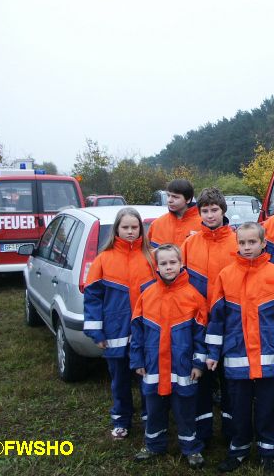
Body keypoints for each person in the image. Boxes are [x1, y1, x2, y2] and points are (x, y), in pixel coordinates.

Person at [205, 222, 274, 475]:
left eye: (252, 242)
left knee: (267, 408)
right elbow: (216, 320)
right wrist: (213, 353)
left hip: (268, 357)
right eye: (242, 243)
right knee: (238, 408)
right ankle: (239, 449)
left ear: (263, 243)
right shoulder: (226, 276)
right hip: (236, 357)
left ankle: (269, 452)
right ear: (237, 244)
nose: (247, 248)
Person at [130, 244, 207, 468]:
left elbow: (201, 334)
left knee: (185, 409)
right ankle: (153, 445)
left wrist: (198, 363)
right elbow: (137, 331)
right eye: (163, 263)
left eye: (173, 262)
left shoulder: (193, 296)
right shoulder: (147, 295)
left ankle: (191, 448)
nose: (168, 267)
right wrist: (137, 360)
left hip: (183, 367)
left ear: (181, 263)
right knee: (153, 408)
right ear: (157, 267)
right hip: (153, 367)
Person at [83, 207, 155, 440]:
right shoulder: (103, 259)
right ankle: (121, 420)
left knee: (147, 378)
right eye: (126, 227)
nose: (131, 231)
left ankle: (149, 418)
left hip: (145, 332)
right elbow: (93, 297)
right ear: (117, 229)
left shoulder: (151, 257)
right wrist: (96, 331)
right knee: (120, 380)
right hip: (115, 332)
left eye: (135, 227)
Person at [181, 187, 238, 445]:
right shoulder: (189, 244)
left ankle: (231, 431)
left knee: (229, 379)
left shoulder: (237, 241)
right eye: (205, 210)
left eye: (214, 209)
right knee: (200, 378)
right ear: (199, 213)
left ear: (223, 210)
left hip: (229, 321)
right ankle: (202, 433)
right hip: (198, 323)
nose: (210, 215)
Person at [148, 179, 203, 248]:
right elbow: (147, 253)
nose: (169, 200)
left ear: (188, 199)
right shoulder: (157, 224)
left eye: (175, 197)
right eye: (168, 195)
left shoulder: (204, 224)